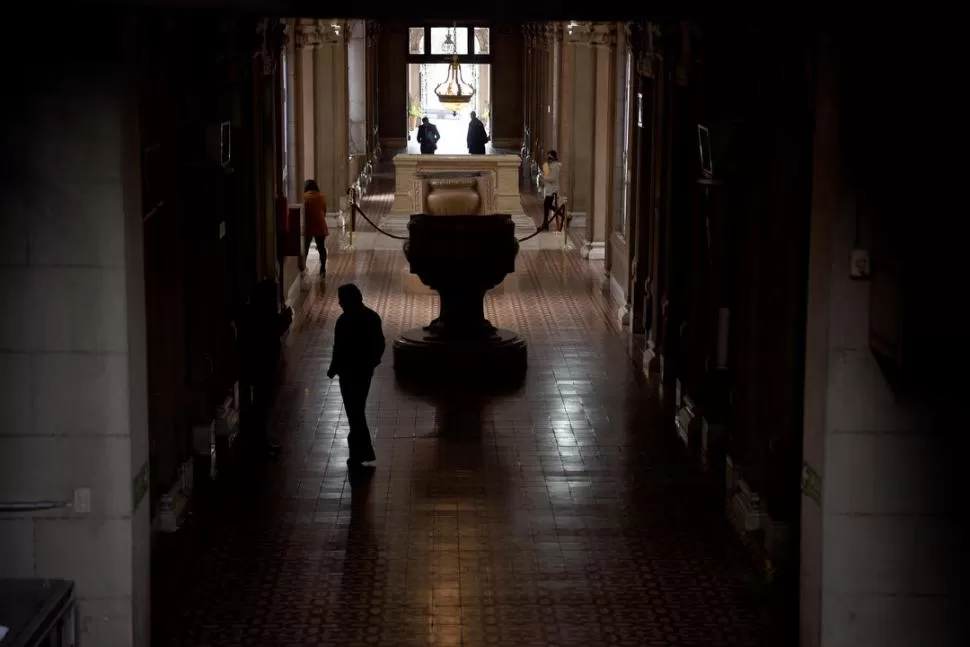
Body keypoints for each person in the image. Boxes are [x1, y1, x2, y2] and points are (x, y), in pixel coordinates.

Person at [327, 284, 385, 467]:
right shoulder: (371, 317)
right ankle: (361, 452)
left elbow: (338, 348)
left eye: (341, 299)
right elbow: (379, 344)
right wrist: (372, 363)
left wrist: (334, 368)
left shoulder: (343, 321)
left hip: (348, 373)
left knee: (354, 412)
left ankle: (360, 452)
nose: (339, 303)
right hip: (363, 372)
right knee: (357, 410)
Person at [302, 179, 329, 276]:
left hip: (308, 225)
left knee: (305, 247)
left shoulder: (304, 197)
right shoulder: (321, 197)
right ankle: (323, 268)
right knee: (321, 247)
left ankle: (303, 266)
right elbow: (324, 211)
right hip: (320, 225)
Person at [539, 150, 561, 231]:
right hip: (549, 188)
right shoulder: (552, 165)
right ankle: (545, 224)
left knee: (547, 206)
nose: (549, 159)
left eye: (550, 157)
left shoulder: (555, 166)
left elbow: (552, 178)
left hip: (552, 189)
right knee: (548, 206)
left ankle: (545, 224)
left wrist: (543, 177)